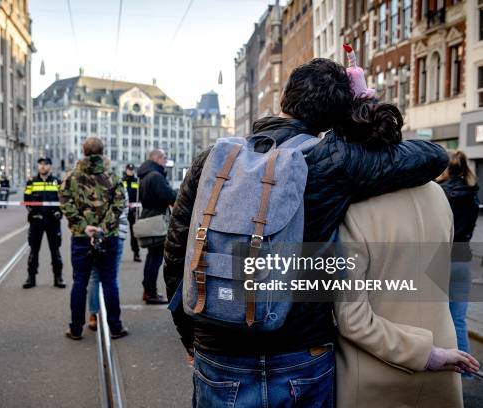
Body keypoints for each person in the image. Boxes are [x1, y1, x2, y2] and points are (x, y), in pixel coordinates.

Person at [164, 58, 449, 406]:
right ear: (336, 114)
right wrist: (362, 104)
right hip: (301, 353)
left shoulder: (214, 159)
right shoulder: (335, 160)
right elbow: (432, 156)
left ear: (284, 96)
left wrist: (189, 335)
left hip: (220, 350)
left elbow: (178, 251)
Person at [335, 182, 480, 408]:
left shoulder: (353, 204)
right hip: (444, 360)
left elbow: (352, 319)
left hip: (378, 369)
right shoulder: (437, 194)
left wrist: (426, 354)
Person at [60, 137, 128, 340]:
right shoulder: (112, 176)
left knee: (80, 281)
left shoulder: (72, 176)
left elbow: (65, 202)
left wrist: (84, 226)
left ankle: (75, 329)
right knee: (109, 281)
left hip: (82, 237)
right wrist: (102, 229)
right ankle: (115, 327)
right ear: (103, 152)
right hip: (108, 237)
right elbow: (119, 205)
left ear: (83, 151)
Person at [437, 150, 479, 357]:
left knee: (438, 318)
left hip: (441, 258)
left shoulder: (439, 192)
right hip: (463, 258)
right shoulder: (473, 194)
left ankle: (446, 368)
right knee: (459, 319)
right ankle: (465, 369)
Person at [138, 149, 176, 304]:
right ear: (157, 158)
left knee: (151, 257)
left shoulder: (146, 175)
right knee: (156, 258)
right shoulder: (156, 176)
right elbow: (168, 196)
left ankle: (148, 290)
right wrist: (176, 193)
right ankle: (151, 292)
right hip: (157, 220)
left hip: (148, 217)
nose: (166, 161)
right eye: (164, 158)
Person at [86, 197, 129, 331]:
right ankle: (113, 321)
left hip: (93, 233)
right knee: (111, 277)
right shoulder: (117, 183)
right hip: (114, 234)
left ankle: (94, 315)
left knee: (95, 276)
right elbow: (123, 209)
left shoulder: (92, 181)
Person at [23, 157, 65, 289]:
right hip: (36, 221)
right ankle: (31, 278)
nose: (43, 166)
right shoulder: (31, 182)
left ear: (50, 167)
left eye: (46, 164)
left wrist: (59, 212)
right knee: (34, 251)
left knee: (55, 251)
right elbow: (27, 200)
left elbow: (63, 200)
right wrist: (33, 212)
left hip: (52, 221)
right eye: (40, 164)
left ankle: (58, 277)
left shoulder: (57, 182)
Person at [122, 164, 141, 262]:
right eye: (129, 170)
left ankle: (136, 253)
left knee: (134, 233)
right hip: (123, 210)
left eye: (132, 170)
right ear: (126, 170)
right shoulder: (122, 181)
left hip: (134, 210)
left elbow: (140, 194)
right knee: (120, 232)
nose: (131, 172)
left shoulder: (137, 181)